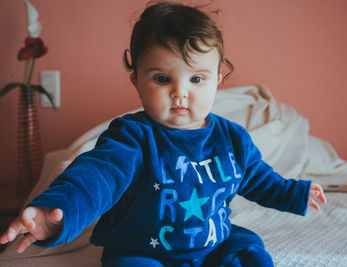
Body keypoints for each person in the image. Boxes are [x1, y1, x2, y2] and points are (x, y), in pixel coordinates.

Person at [0, 2, 327, 266]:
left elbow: (259, 179)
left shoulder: (233, 139)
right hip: (143, 249)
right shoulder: (132, 137)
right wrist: (55, 213)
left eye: (196, 79)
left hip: (213, 242)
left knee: (249, 250)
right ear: (137, 80)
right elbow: (95, 178)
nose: (180, 93)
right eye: (161, 79)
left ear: (218, 79)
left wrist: (294, 193)